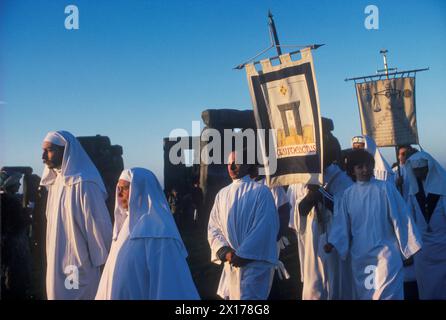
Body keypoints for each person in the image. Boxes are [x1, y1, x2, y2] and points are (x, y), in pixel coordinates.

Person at [325, 149, 422, 299]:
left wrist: (408, 246)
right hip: (361, 256)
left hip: (386, 254)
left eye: (367, 165)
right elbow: (341, 223)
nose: (365, 170)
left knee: (387, 294)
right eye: (359, 167)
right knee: (368, 295)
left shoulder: (385, 188)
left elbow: (401, 217)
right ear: (352, 170)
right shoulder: (348, 195)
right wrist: (333, 242)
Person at [95, 168, 199, 300]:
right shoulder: (123, 227)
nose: (119, 194)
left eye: (125, 188)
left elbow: (169, 287)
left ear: (140, 191)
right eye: (118, 188)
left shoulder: (160, 236)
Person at [40, 130, 112, 300]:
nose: (43, 156)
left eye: (49, 150)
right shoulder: (55, 183)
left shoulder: (85, 184)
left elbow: (98, 227)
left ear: (66, 150)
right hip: (55, 260)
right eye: (43, 150)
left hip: (78, 264)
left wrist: (106, 264)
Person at [208, 150, 279, 300]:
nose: (231, 166)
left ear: (247, 165)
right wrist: (225, 251)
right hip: (231, 262)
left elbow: (265, 226)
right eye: (229, 163)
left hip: (254, 263)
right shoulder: (221, 194)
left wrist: (243, 254)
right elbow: (214, 227)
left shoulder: (261, 192)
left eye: (236, 162)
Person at [405, 151, 446, 299]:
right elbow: (409, 218)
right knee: (426, 287)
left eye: (421, 170)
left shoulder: (442, 188)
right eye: (415, 171)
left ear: (428, 168)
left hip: (442, 246)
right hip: (423, 250)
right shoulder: (413, 191)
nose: (418, 174)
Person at [1, 170, 32, 299]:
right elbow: (16, 223)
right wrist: (28, 217)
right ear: (11, 184)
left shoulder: (5, 199)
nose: (19, 185)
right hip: (14, 245)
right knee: (16, 276)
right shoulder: (11, 200)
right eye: (17, 183)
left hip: (7, 243)